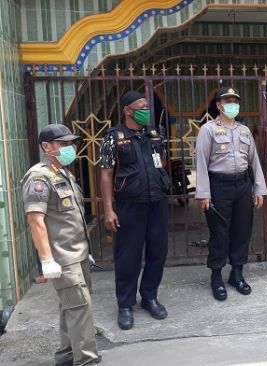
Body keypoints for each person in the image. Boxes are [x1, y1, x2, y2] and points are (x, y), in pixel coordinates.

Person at [22, 124, 101, 365]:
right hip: (62, 260)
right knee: (80, 310)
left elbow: (69, 220)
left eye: (70, 143)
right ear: (47, 147)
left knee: (71, 309)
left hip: (76, 255)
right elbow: (35, 221)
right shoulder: (39, 177)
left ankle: (67, 356)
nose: (69, 148)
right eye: (63, 144)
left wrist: (84, 252)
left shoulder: (63, 173)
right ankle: (86, 360)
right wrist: (47, 260)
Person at [100, 91, 170, 330]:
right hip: (129, 205)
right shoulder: (114, 138)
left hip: (157, 202)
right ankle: (125, 304)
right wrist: (108, 210)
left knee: (157, 253)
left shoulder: (155, 135)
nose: (145, 110)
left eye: (147, 106)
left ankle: (149, 296)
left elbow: (161, 163)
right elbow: (106, 174)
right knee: (128, 257)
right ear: (127, 110)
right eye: (140, 107)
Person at [195, 86, 267, 301]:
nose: (231, 105)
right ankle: (216, 276)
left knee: (242, 231)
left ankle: (237, 274)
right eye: (227, 101)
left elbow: (254, 161)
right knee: (220, 233)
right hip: (219, 186)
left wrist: (259, 189)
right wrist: (203, 194)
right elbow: (201, 162)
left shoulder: (244, 131)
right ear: (218, 105)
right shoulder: (208, 130)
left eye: (234, 101)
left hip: (242, 186)